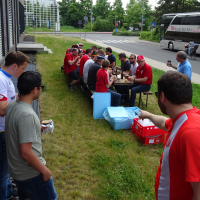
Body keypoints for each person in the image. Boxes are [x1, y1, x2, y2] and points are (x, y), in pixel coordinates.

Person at [139, 71, 200, 200]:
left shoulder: (190, 133)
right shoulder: (181, 119)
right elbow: (164, 123)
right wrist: (148, 115)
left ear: (162, 96)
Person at [5, 71, 58, 200]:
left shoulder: (11, 106)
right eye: (41, 87)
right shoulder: (27, 114)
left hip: (17, 171)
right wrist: (45, 171)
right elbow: (26, 153)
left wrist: (37, 128)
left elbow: (16, 131)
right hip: (30, 174)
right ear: (35, 89)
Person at [0, 51, 29, 200]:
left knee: (7, 166)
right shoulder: (1, 80)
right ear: (14, 66)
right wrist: (19, 103)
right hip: (2, 131)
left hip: (6, 129)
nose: (24, 72)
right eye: (23, 68)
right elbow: (2, 109)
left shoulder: (7, 77)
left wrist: (21, 95)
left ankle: (8, 190)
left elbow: (9, 98)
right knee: (3, 170)